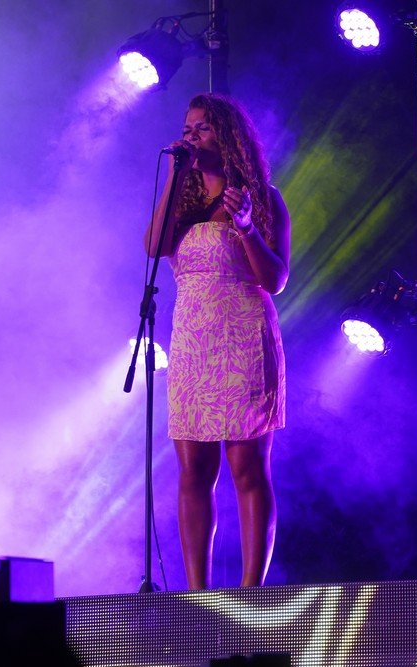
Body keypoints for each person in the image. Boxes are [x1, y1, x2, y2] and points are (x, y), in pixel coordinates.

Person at [144, 93, 291, 589]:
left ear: (227, 136)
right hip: (192, 340)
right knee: (193, 472)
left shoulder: (262, 197)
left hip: (244, 335)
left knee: (247, 467)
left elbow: (276, 279)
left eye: (202, 128)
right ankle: (196, 595)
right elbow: (153, 247)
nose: (191, 136)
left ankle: (251, 591)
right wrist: (176, 176)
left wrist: (247, 226)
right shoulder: (183, 201)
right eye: (187, 128)